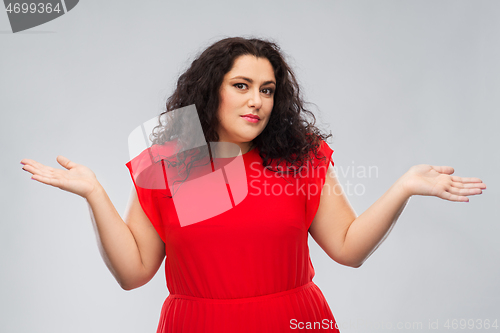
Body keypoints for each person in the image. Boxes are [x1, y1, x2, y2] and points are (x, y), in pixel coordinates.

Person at [20, 37, 487, 332]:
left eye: (267, 89)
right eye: (241, 85)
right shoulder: (168, 163)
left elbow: (348, 248)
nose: (257, 101)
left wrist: (403, 186)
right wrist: (94, 194)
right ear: (211, 90)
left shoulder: (299, 157)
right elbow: (133, 272)